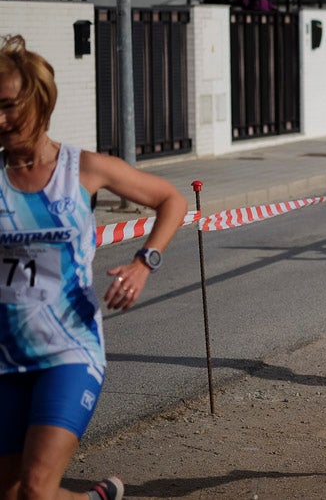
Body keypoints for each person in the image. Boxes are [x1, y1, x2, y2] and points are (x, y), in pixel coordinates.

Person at [0, 35, 187, 500]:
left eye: (7, 106)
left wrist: (145, 263)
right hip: (6, 356)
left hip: (70, 350)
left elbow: (171, 199)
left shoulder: (82, 168)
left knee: (37, 491)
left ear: (39, 103)